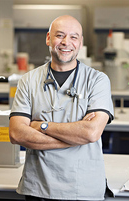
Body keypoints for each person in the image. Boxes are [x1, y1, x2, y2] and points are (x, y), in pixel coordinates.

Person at [9, 15, 114, 201]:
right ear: (48, 38)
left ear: (80, 42)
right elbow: (17, 134)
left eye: (74, 37)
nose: (66, 42)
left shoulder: (97, 80)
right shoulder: (29, 80)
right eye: (60, 35)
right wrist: (75, 138)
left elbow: (90, 133)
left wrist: (41, 126)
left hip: (84, 189)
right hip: (38, 188)